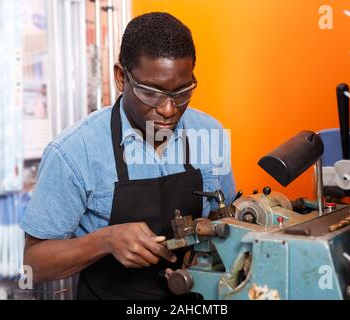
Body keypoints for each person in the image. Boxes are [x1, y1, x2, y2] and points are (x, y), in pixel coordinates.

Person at [20, 12, 236, 300]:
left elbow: (230, 220)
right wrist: (105, 241)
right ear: (121, 77)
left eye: (182, 92)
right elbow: (33, 263)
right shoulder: (74, 151)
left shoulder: (210, 132)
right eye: (152, 93)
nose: (169, 109)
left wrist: (208, 254)